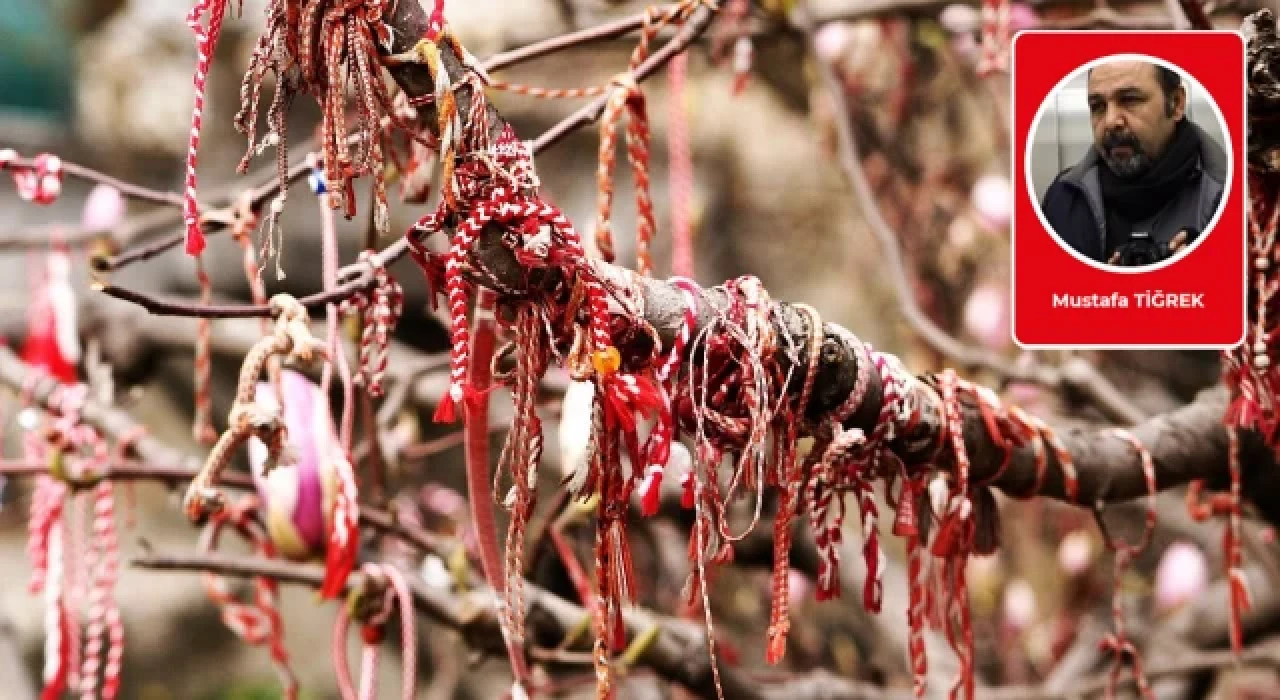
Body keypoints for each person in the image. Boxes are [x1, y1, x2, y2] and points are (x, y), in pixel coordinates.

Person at [1040, 60, 1226, 266]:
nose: (1110, 121)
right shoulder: (1063, 200)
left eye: (1129, 100)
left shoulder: (1240, 199)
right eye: (1098, 106)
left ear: (1176, 103)